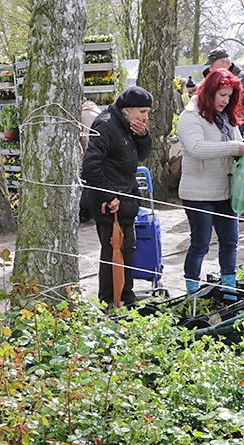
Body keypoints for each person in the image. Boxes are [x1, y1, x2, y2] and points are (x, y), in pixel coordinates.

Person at [80, 86, 152, 307]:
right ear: (127, 110)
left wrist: (143, 136)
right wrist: (110, 195)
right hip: (109, 203)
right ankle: (112, 300)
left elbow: (142, 155)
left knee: (126, 249)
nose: (145, 117)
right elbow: (90, 167)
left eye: (147, 112)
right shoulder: (106, 125)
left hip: (126, 198)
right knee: (115, 250)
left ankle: (125, 295)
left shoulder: (129, 126)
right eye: (142, 111)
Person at [176, 69, 244, 296]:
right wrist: (236, 148)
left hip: (226, 192)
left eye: (229, 96)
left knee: (230, 242)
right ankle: (192, 293)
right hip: (198, 194)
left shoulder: (227, 119)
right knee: (200, 244)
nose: (225, 101)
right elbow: (197, 148)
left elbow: (239, 142)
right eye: (222, 95)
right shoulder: (190, 116)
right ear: (209, 92)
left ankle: (229, 291)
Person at [202, 48, 244, 122]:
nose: (211, 68)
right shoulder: (211, 77)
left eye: (212, 64)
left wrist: (234, 124)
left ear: (223, 61)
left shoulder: (242, 78)